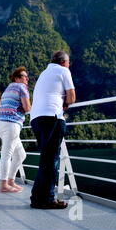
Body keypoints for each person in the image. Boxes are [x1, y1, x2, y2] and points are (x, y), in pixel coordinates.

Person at [29, 51, 76, 209]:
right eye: (69, 62)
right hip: (52, 118)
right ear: (64, 62)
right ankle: (47, 199)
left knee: (46, 160)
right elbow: (71, 97)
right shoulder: (63, 71)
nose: (69, 65)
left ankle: (37, 198)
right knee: (51, 161)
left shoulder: (44, 73)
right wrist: (64, 106)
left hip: (36, 119)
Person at [0, 67, 31, 193]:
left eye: (27, 76)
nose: (26, 78)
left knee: (21, 155)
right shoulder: (22, 87)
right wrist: (27, 107)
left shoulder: (8, 88)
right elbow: (27, 108)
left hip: (0, 124)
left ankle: (10, 181)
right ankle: (3, 185)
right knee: (7, 155)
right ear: (17, 78)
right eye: (23, 76)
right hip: (11, 124)